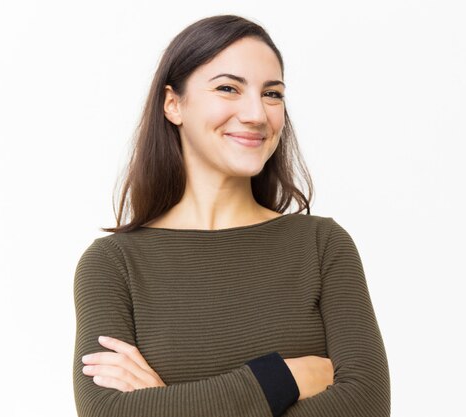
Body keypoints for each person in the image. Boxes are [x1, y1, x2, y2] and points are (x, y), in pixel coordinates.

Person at [72, 14, 391, 417]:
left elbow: (366, 405)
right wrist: (282, 378)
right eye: (228, 88)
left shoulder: (321, 246)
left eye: (272, 94)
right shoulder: (113, 264)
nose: (257, 114)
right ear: (173, 104)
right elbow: (108, 413)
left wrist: (166, 401)